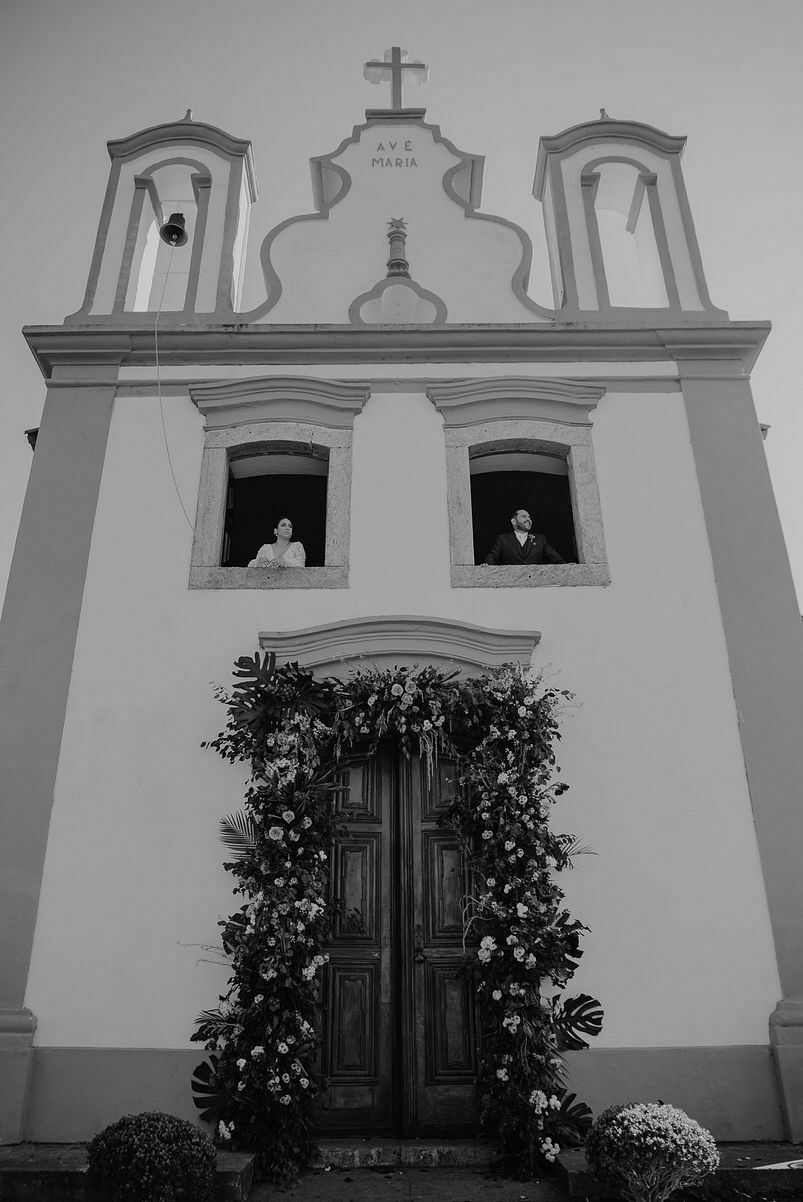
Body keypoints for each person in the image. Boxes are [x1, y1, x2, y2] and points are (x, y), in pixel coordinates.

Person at [483, 508, 565, 565]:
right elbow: (492, 557)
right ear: (514, 521)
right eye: (524, 516)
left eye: (529, 517)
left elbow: (555, 558)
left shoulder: (540, 539)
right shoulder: (502, 539)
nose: (528, 519)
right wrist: (485, 566)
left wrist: (568, 566)